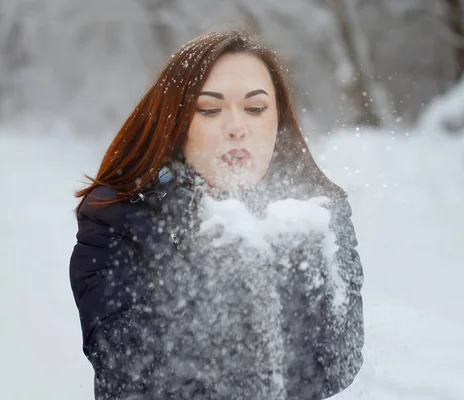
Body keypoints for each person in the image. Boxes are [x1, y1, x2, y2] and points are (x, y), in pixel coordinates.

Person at [69, 30, 364, 400]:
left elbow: (336, 363)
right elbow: (128, 369)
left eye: (255, 109)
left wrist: (292, 265)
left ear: (280, 122)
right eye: (209, 110)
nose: (237, 127)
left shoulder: (316, 213)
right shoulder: (118, 216)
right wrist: (210, 260)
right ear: (176, 124)